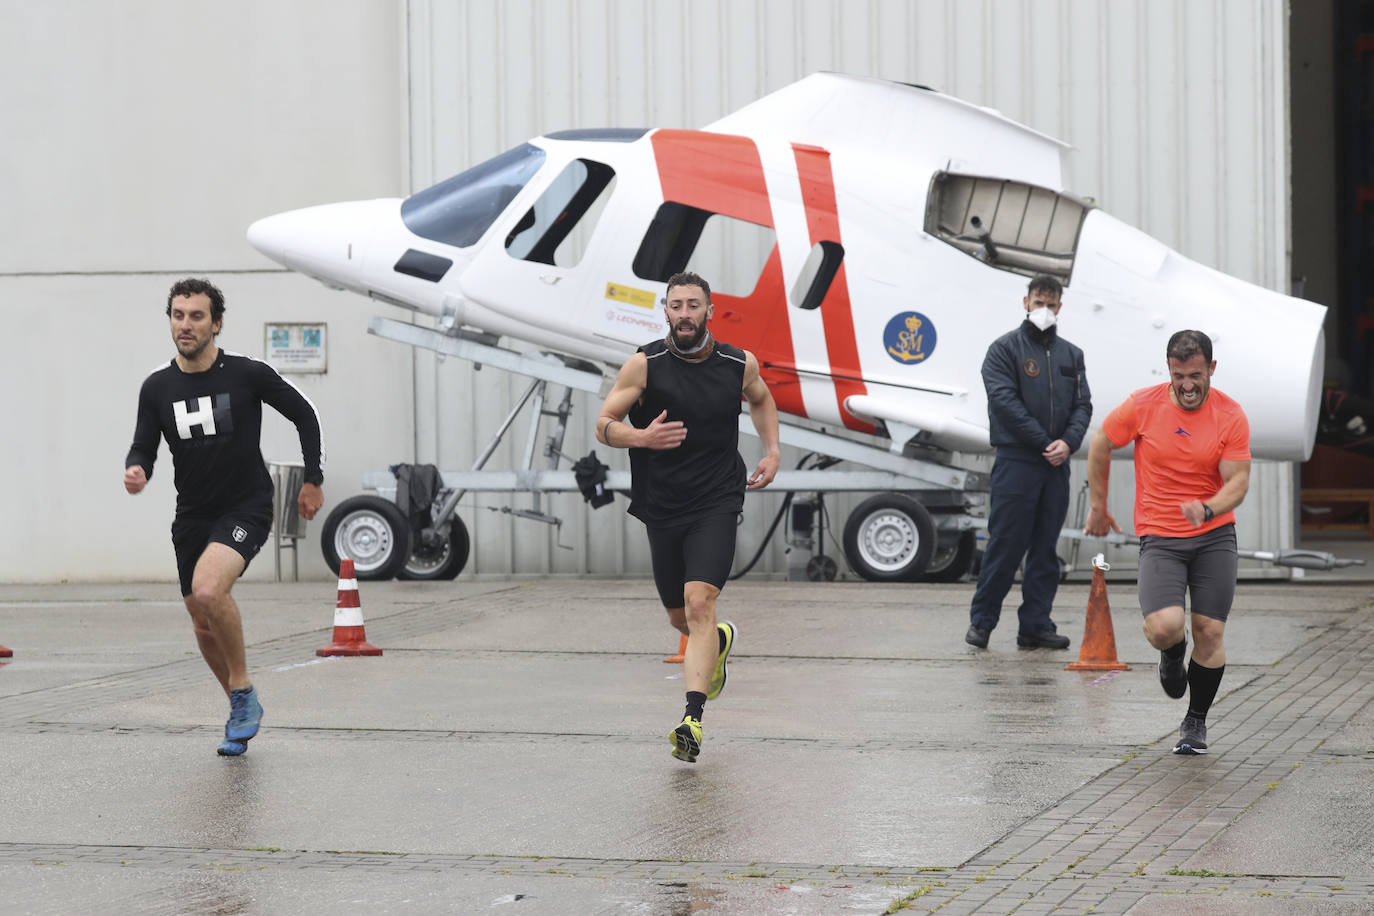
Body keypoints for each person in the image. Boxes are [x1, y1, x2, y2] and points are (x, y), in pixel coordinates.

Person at [124, 278, 325, 757]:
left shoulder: (246, 374)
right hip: (192, 514)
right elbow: (144, 444)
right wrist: (137, 469)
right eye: (178, 315)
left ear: (216, 323)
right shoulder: (157, 387)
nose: (185, 325)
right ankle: (241, 706)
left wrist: (313, 479)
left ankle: (242, 690)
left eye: (196, 316)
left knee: (212, 590)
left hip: (246, 505)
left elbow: (305, 415)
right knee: (200, 618)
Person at [595, 271, 780, 763]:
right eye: (675, 305)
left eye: (693, 305)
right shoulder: (645, 365)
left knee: (699, 602)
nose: (684, 313)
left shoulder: (738, 364)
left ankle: (692, 719)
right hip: (663, 502)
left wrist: (773, 451)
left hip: (718, 497)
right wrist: (640, 438)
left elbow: (761, 398)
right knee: (682, 618)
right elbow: (605, 424)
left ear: (709, 311)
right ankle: (718, 641)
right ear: (666, 312)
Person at [1084, 330, 1250, 755]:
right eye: (1179, 376)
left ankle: (1195, 722)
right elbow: (1101, 442)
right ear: (1168, 369)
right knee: (1165, 627)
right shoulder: (1143, 405)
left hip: (1214, 535)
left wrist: (1209, 508)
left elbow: (1238, 482)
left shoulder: (1230, 415)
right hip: (1160, 536)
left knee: (1209, 631)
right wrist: (1098, 507)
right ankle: (1172, 656)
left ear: (1211, 369)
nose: (1188, 385)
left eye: (1195, 375)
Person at [966, 274, 1092, 650]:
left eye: (1051, 304)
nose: (1045, 310)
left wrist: (1068, 443)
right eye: (1039, 302)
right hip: (1018, 461)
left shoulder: (1072, 354)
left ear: (1060, 307)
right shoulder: (1004, 350)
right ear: (1026, 303)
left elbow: (1083, 405)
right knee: (1005, 545)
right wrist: (1045, 442)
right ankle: (982, 623)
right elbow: (1005, 402)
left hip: (1057, 465)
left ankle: (1036, 625)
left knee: (1045, 550)